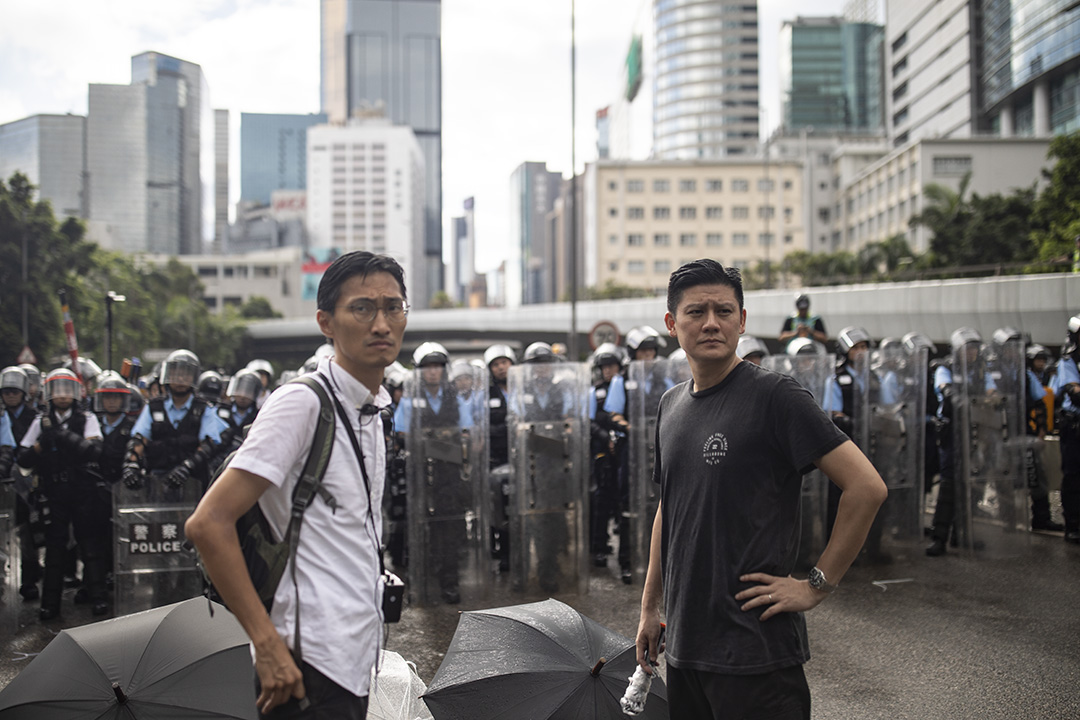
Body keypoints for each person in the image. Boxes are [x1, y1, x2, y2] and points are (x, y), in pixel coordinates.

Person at [635, 259, 886, 718]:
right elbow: (669, 510)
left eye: (724, 311)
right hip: (685, 649)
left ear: (742, 320)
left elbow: (866, 487)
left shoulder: (776, 396)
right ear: (672, 324)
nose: (711, 322)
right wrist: (650, 608)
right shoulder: (671, 405)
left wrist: (816, 585)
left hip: (756, 655)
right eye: (696, 312)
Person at [186, 251, 407, 717]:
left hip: (353, 655)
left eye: (394, 306)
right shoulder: (302, 404)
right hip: (304, 663)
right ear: (326, 322)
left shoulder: (371, 410)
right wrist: (265, 645)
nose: (381, 323)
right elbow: (208, 523)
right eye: (363, 308)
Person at [16, 368, 105, 620]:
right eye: (58, 390)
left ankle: (98, 597)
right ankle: (49, 604)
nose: (63, 395)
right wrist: (43, 443)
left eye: (68, 389)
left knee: (88, 543)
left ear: (76, 393)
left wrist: (64, 437)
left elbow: (95, 450)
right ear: (49, 394)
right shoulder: (40, 421)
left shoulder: (86, 418)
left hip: (82, 488)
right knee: (54, 548)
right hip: (53, 491)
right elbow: (23, 457)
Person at [394, 341, 474, 604]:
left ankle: (449, 582)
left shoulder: (454, 396)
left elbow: (467, 433)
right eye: (427, 367)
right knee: (420, 526)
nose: (432, 372)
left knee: (450, 526)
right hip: (420, 474)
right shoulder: (410, 397)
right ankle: (423, 582)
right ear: (419, 371)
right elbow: (401, 434)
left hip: (449, 474)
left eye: (437, 366)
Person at [123, 349, 226, 494]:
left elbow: (208, 445)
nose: (181, 379)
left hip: (194, 483)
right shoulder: (153, 407)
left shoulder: (204, 409)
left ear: (194, 377)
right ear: (167, 375)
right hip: (158, 482)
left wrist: (186, 467)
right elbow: (139, 439)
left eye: (186, 374)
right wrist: (131, 464)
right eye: (176, 373)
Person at [3, 366, 42, 600]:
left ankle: (29, 580)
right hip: (3, 479)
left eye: (14, 391)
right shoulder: (0, 414)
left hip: (27, 481)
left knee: (29, 534)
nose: (10, 395)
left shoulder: (33, 416)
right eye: (6, 391)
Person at [484, 343, 516, 573]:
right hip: (497, 459)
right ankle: (504, 553)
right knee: (501, 509)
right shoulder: (487, 395)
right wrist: (505, 428)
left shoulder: (525, 389)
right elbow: (483, 427)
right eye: (496, 365)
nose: (501, 368)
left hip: (523, 458)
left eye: (504, 362)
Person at [1050, 314, 1080, 544]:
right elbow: (1074, 393)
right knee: (1072, 476)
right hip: (1074, 427)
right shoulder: (1067, 362)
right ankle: (1072, 524)